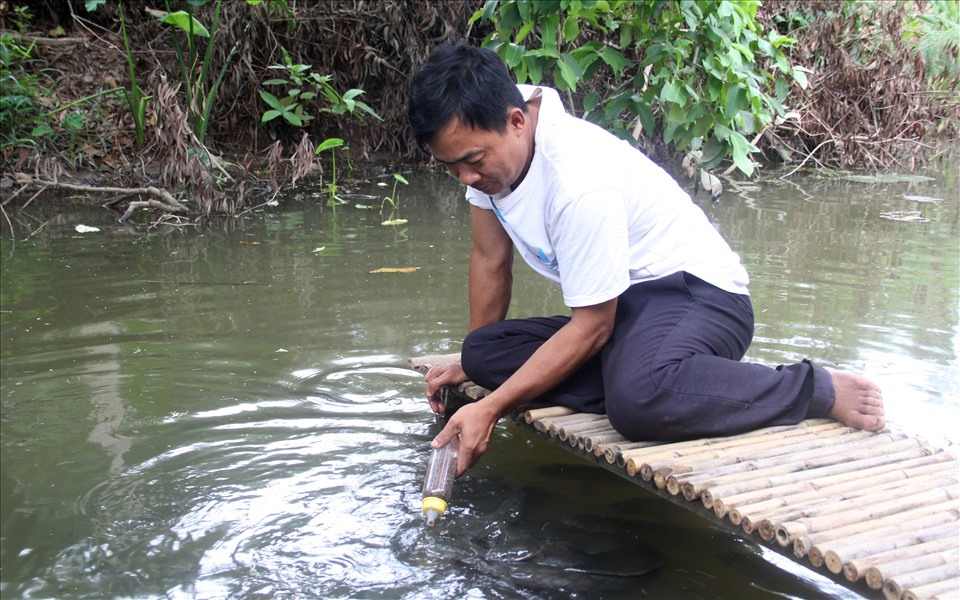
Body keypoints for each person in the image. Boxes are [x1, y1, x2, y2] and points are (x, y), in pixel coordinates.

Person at [407, 43, 885, 477]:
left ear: (516, 121)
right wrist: (473, 363)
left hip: (700, 297)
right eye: (452, 167)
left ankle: (814, 388)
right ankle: (654, 375)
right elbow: (490, 259)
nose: (466, 178)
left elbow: (593, 325)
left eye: (474, 161)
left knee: (636, 404)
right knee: (484, 352)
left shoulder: (577, 182)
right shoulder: (489, 153)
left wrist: (492, 407)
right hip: (627, 310)